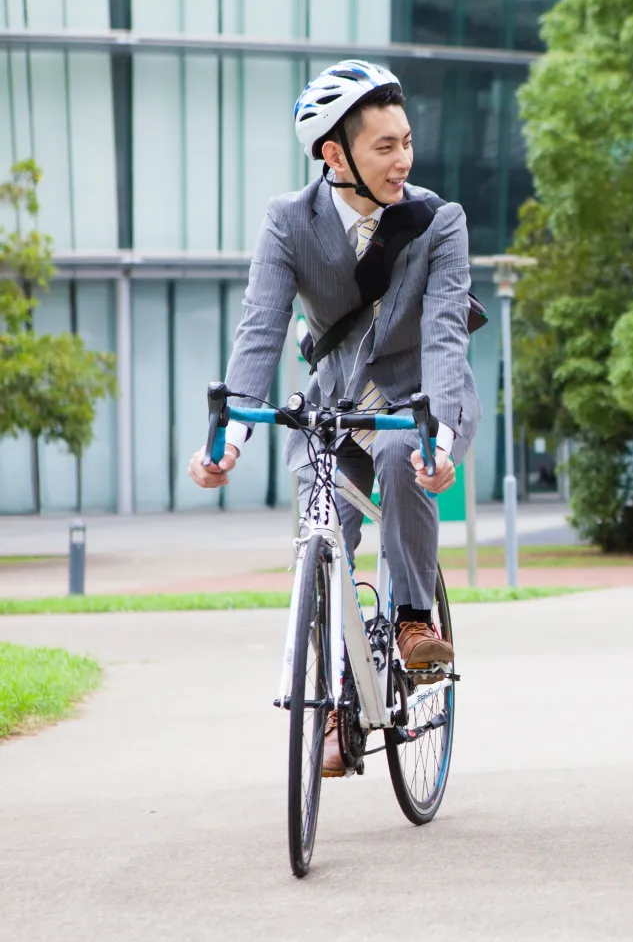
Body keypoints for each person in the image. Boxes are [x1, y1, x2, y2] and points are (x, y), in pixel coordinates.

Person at [187, 60, 477, 775]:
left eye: (406, 141)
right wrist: (230, 438)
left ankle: (413, 619)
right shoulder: (289, 221)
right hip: (336, 409)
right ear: (333, 154)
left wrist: (439, 434)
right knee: (323, 529)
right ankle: (333, 701)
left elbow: (443, 336)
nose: (403, 159)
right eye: (385, 146)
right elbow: (260, 329)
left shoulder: (437, 221)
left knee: (403, 456)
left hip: (419, 399)